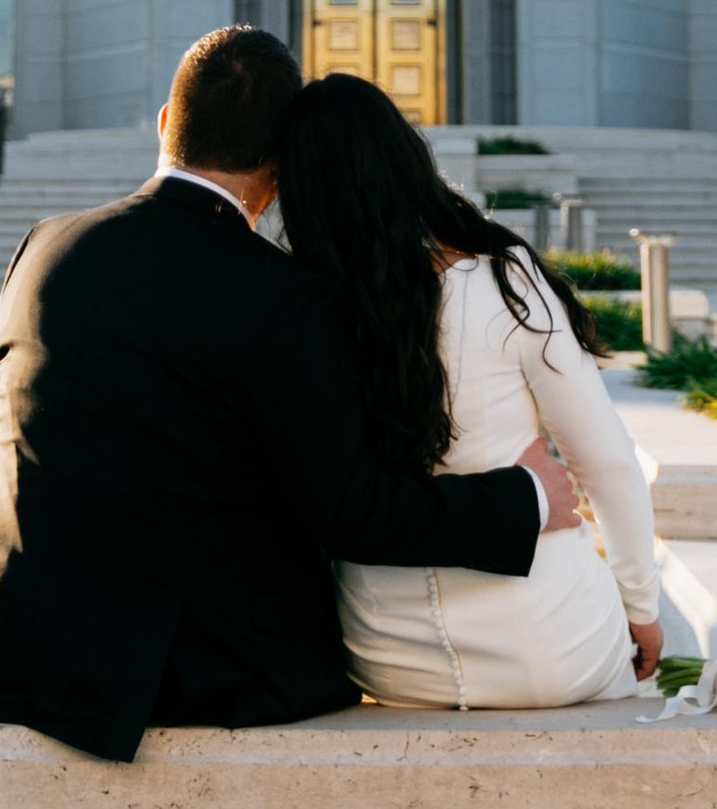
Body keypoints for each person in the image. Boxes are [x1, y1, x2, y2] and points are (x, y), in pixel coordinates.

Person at [0, 25, 577, 763]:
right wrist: (527, 499)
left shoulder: (44, 246)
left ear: (167, 123)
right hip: (191, 673)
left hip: (4, 645)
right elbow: (354, 515)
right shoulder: (285, 298)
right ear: (281, 168)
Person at [275, 72, 662, 709]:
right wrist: (642, 607)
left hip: (385, 654)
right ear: (405, 157)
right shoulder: (501, 281)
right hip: (551, 646)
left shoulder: (296, 304)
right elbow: (609, 463)